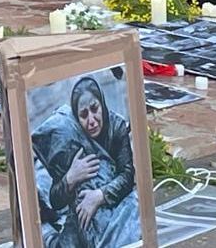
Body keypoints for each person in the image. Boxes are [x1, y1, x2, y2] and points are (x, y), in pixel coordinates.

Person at [33, 77, 139, 245]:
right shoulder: (74, 140)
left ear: (101, 104)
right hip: (80, 213)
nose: (91, 120)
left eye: (94, 109)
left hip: (115, 200)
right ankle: (46, 232)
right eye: (83, 115)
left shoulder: (116, 127)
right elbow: (56, 200)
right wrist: (70, 178)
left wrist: (99, 196)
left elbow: (127, 175)